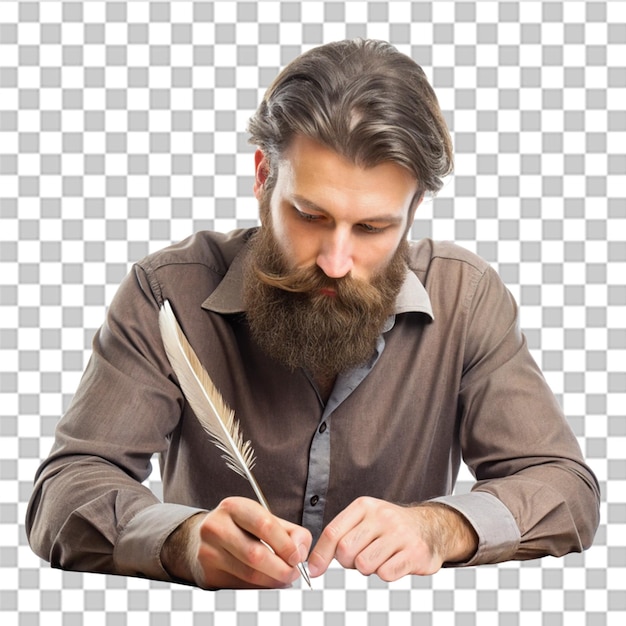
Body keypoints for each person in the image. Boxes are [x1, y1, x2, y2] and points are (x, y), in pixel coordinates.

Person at [26, 39, 600, 590]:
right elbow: (65, 491)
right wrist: (183, 539)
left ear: (413, 209)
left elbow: (565, 489)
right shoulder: (166, 293)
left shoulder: (465, 298)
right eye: (309, 215)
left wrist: (441, 526)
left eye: (373, 228)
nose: (335, 261)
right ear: (262, 177)